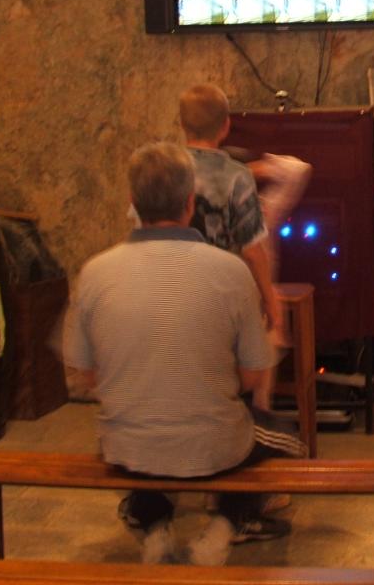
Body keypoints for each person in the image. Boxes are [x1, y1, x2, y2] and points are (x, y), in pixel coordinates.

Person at [64, 142, 303, 566]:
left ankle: (154, 526)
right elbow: (252, 376)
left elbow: (86, 375)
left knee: (144, 434)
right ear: (190, 203)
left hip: (124, 443)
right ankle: (224, 529)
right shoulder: (231, 272)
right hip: (212, 443)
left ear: (133, 202)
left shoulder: (94, 272)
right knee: (289, 443)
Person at [179, 84, 282, 336]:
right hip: (220, 293)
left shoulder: (164, 169)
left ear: (181, 124)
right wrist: (270, 299)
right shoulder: (237, 176)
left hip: (172, 287)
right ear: (226, 126)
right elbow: (252, 249)